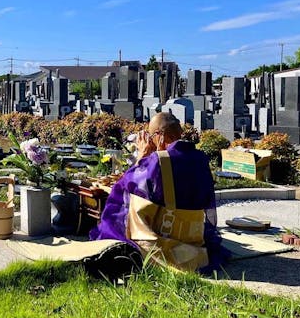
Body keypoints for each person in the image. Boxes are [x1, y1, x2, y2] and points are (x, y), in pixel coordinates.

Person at [90, 112, 229, 272]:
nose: (150, 140)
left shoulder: (159, 160)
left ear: (160, 135)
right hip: (193, 234)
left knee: (123, 205)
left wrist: (142, 156)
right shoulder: (200, 158)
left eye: (151, 135)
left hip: (166, 234)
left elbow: (127, 184)